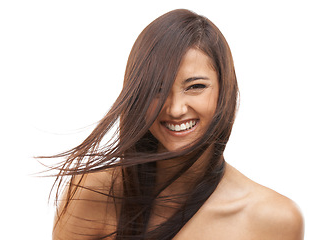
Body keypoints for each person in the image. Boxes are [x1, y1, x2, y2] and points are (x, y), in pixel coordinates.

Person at [49, 9, 304, 239]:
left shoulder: (273, 219)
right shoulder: (91, 193)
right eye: (156, 90)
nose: (175, 108)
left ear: (224, 90)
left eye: (196, 87)